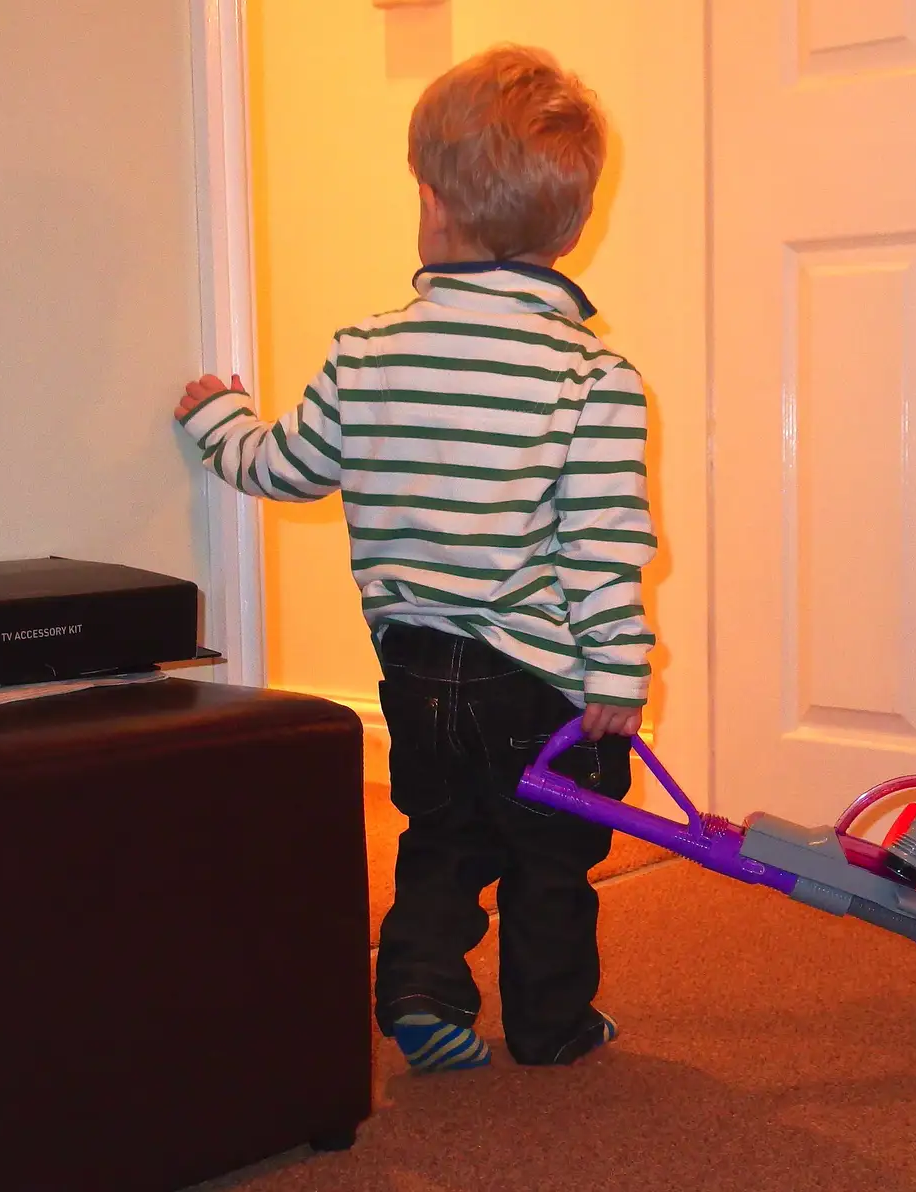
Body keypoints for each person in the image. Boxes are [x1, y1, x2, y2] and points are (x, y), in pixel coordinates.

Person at [174, 44, 655, 1072]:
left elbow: (287, 465)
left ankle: (422, 990)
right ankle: (551, 1022)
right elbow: (604, 540)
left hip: (417, 669)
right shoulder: (594, 375)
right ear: (572, 230)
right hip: (542, 681)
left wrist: (217, 418)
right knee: (553, 854)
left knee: (442, 833)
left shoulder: (366, 350)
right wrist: (617, 671)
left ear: (430, 203)